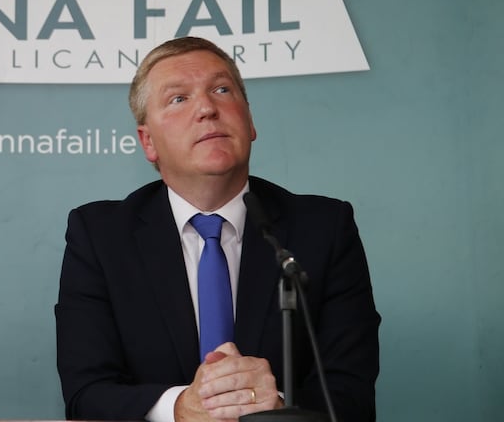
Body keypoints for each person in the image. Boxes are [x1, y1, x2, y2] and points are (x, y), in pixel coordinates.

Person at [55, 37, 379, 422]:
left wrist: (272, 404)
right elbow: (85, 394)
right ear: (148, 142)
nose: (208, 108)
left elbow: (352, 397)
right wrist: (179, 408)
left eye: (222, 90)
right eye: (179, 99)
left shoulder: (324, 229)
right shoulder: (100, 236)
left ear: (250, 120)